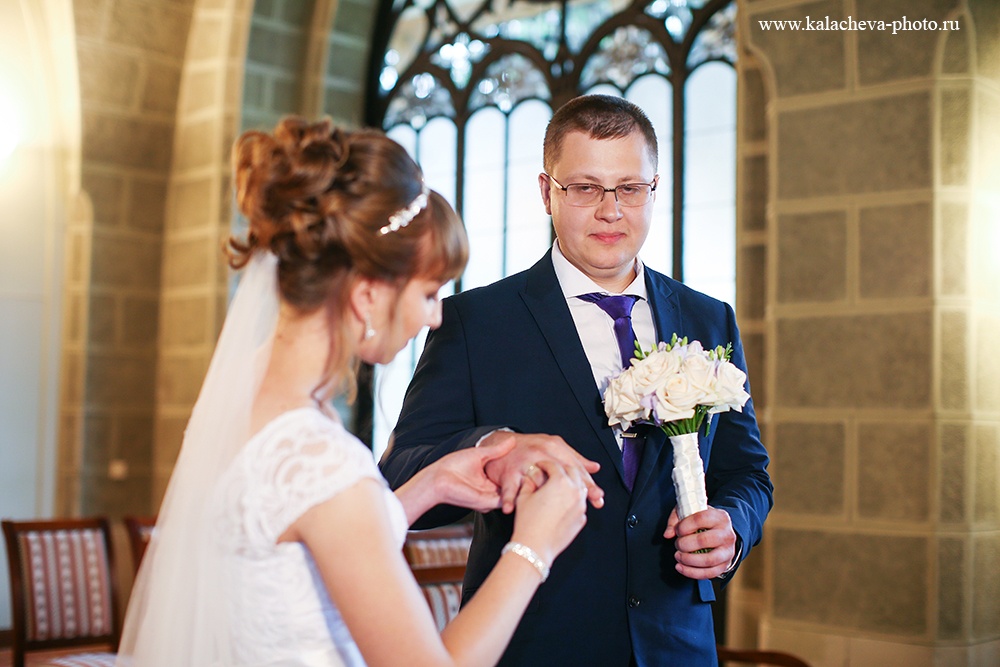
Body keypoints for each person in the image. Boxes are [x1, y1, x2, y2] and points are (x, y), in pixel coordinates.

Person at [116, 116, 590, 667]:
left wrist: (431, 484)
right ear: (367, 295)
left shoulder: (252, 400)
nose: (435, 318)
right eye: (428, 293)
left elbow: (302, 541)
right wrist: (533, 546)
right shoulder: (322, 459)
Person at [379, 94, 773, 666]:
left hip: (677, 647)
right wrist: (495, 448)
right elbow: (401, 471)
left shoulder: (708, 319)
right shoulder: (475, 322)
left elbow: (747, 472)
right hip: (537, 645)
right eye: (586, 188)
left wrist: (732, 526)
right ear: (547, 192)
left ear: (653, 189)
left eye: (630, 188)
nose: (611, 211)